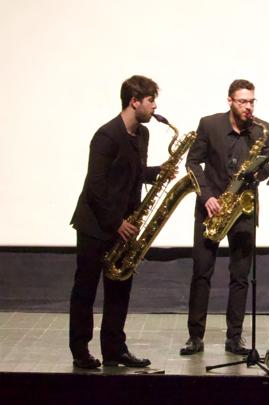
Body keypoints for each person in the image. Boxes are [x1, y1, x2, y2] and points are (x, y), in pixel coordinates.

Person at [69, 75, 164, 369]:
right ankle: (80, 350)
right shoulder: (106, 136)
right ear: (134, 101)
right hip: (95, 225)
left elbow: (133, 173)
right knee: (86, 289)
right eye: (151, 100)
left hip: (124, 226)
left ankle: (114, 349)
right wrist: (116, 223)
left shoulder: (142, 135)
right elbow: (95, 186)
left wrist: (157, 173)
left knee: (120, 288)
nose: (155, 106)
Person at [179, 79, 269, 356]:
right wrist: (207, 196)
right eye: (243, 101)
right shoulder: (209, 124)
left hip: (242, 209)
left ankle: (234, 337)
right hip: (211, 208)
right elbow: (192, 162)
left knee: (240, 276)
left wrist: (256, 173)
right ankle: (195, 337)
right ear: (230, 101)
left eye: (252, 101)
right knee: (202, 272)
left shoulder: (262, 129)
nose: (248, 107)